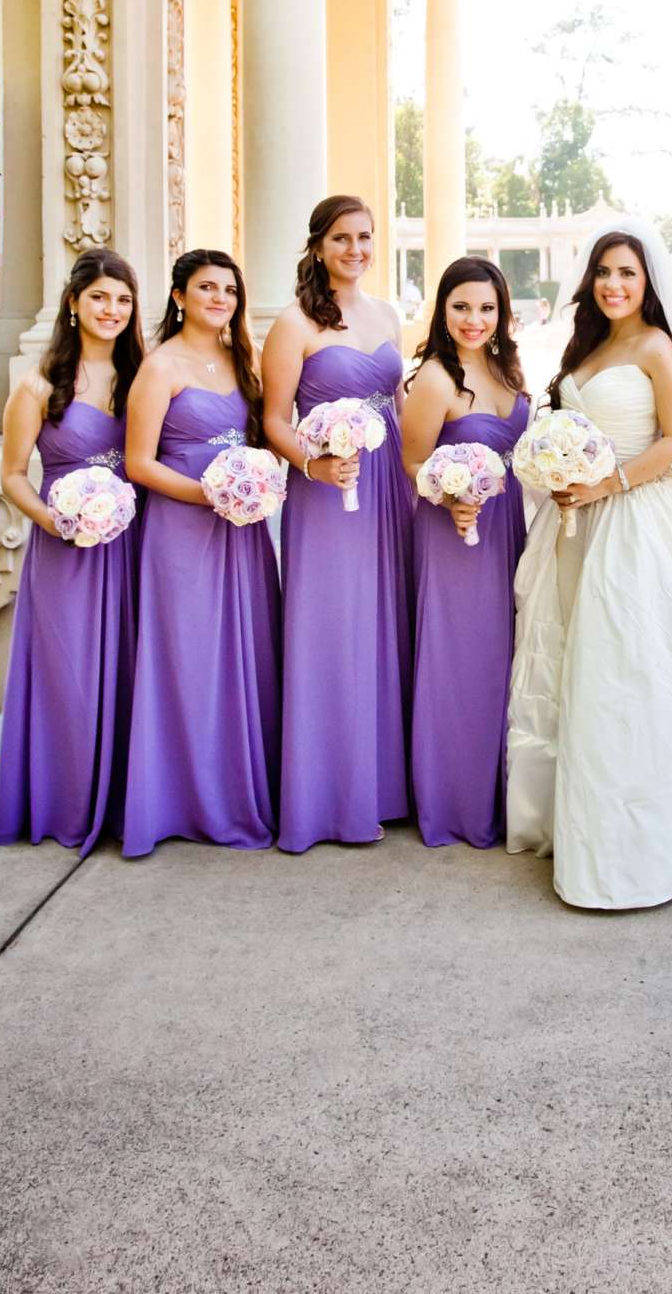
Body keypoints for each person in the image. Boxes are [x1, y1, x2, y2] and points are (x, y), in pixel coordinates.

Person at [506, 219, 672, 909]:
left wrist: (607, 484)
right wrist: (559, 471)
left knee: (630, 672)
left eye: (627, 273)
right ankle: (582, 825)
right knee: (578, 666)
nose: (614, 284)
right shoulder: (587, 347)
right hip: (574, 525)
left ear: (647, 281)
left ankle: (639, 844)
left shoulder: (656, 345)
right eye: (604, 273)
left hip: (635, 516)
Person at [261, 196, 412, 850]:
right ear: (319, 245)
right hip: (328, 490)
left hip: (387, 491)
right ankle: (328, 797)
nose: (356, 249)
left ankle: (385, 786)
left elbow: (401, 404)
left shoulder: (388, 315)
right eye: (343, 238)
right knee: (335, 629)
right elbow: (271, 420)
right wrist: (314, 464)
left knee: (384, 623)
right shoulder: (293, 324)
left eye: (365, 237)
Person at [122, 250, 280, 856]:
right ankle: (182, 800)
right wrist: (210, 495)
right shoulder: (161, 367)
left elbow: (262, 437)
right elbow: (139, 464)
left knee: (246, 655)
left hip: (242, 533)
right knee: (188, 661)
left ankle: (243, 791)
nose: (220, 299)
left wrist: (253, 487)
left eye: (230, 291)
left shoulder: (244, 360)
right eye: (207, 288)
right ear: (180, 296)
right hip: (183, 531)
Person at [0, 249, 143, 853]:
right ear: (74, 304)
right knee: (71, 675)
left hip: (133, 546)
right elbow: (12, 475)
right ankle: (66, 801)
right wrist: (55, 523)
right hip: (68, 552)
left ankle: (126, 803)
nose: (112, 310)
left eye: (124, 300)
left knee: (131, 666)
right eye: (100, 297)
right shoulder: (37, 384)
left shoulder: (143, 375)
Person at [399, 259, 529, 848]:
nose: (474, 320)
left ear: (502, 312)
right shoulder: (434, 378)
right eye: (461, 307)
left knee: (506, 656)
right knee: (461, 661)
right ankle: (455, 801)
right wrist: (451, 497)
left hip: (509, 531)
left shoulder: (507, 370)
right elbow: (410, 463)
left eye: (486, 308)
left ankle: (504, 795)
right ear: (442, 310)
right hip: (455, 532)